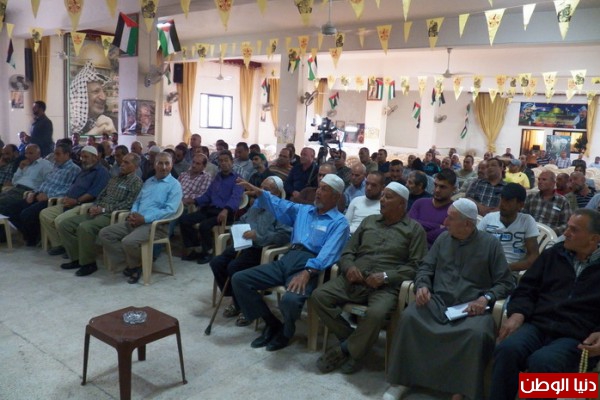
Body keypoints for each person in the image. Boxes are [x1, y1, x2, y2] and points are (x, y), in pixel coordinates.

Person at [384, 198, 514, 400]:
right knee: (410, 318)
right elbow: (425, 268)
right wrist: (423, 285)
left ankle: (462, 390)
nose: (444, 222)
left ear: (467, 224)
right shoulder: (443, 239)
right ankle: (402, 381)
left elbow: (505, 282)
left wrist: (486, 298)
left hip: (471, 308)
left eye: (450, 218)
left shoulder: (491, 245)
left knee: (477, 333)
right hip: (437, 302)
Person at [311, 182, 427, 374]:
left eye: (388, 197)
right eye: (382, 196)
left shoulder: (414, 230)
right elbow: (348, 252)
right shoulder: (369, 222)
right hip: (354, 279)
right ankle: (356, 341)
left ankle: (346, 350)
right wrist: (349, 267)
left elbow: (416, 266)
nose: (382, 200)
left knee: (376, 314)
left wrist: (386, 276)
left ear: (402, 204)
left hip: (385, 287)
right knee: (318, 296)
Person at [490, 209, 600, 400]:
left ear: (594, 239)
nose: (566, 233)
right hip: (538, 325)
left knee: (543, 363)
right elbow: (526, 288)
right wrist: (518, 313)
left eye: (574, 230)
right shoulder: (554, 254)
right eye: (567, 227)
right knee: (507, 350)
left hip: (576, 335)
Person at [232, 174, 349, 352]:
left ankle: (286, 331)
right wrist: (260, 192)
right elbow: (280, 204)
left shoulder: (340, 223)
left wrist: (307, 272)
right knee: (240, 279)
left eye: (325, 189)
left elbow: (329, 253)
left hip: (309, 265)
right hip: (288, 258)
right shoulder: (303, 210)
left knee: (291, 300)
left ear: (336, 197)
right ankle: (272, 323)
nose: (318, 192)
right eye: (319, 187)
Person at [209, 176, 292, 327]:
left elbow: (283, 236)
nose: (261, 191)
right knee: (217, 262)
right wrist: (238, 229)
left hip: (262, 250)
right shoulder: (256, 204)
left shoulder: (282, 209)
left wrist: (258, 236)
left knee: (234, 267)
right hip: (244, 245)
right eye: (261, 187)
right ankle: (238, 300)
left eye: (267, 190)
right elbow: (241, 220)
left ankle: (245, 308)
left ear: (278, 193)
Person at [98, 152, 182, 284]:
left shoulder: (174, 185)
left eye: (167, 163)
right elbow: (137, 201)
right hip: (137, 221)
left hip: (156, 226)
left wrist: (145, 219)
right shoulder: (149, 181)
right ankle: (134, 264)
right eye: (160, 163)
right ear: (154, 165)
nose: (164, 167)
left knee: (128, 242)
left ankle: (135, 266)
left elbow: (170, 211)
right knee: (105, 234)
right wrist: (133, 214)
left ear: (172, 165)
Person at [58, 153, 143, 277]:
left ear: (135, 166)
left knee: (85, 227)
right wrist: (95, 206)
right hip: (97, 211)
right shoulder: (114, 179)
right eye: (122, 161)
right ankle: (76, 258)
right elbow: (101, 195)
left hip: (111, 215)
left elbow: (128, 204)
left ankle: (88, 264)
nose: (122, 164)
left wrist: (103, 210)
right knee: (65, 224)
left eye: (126, 163)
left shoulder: (136, 182)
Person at [39, 146, 111, 255]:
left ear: (95, 158)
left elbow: (94, 193)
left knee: (60, 220)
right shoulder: (84, 170)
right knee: (45, 214)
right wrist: (67, 197)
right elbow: (73, 186)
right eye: (81, 157)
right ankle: (60, 245)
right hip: (69, 202)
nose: (83, 160)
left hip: (83, 205)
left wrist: (77, 201)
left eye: (86, 157)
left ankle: (72, 248)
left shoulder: (102, 172)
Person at [8, 143, 81, 247]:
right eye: (54, 154)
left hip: (52, 199)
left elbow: (68, 190)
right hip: (39, 194)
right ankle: (30, 234)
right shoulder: (56, 166)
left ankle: (33, 239)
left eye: (58, 154)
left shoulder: (74, 169)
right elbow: (45, 182)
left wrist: (48, 196)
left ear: (67, 154)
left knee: (26, 214)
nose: (55, 157)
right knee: (12, 209)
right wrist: (34, 192)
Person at [180, 150, 244, 264]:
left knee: (204, 225)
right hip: (210, 210)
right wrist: (194, 200)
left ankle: (208, 252)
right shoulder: (217, 177)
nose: (223, 163)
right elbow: (208, 195)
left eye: (226, 160)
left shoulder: (238, 179)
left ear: (232, 162)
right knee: (184, 220)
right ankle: (196, 249)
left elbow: (236, 197)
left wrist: (226, 210)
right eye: (221, 161)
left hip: (225, 213)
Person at [478, 183, 539, 276]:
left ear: (520, 205)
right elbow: (474, 244)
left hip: (510, 272)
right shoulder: (489, 218)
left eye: (508, 201)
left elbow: (533, 256)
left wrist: (506, 268)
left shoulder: (527, 221)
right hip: (485, 268)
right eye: (502, 198)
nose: (502, 204)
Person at [0, 144, 53, 216]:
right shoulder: (26, 163)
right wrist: (20, 168)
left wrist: (34, 192)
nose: (27, 156)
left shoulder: (45, 164)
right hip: (15, 189)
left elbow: (47, 181)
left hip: (26, 191)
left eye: (31, 153)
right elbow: (14, 182)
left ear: (38, 154)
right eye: (26, 153)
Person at [408, 168, 456, 247]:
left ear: (453, 189)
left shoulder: (454, 211)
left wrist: (419, 233)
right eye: (435, 185)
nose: (437, 190)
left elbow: (445, 235)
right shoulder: (420, 203)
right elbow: (409, 224)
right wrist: (438, 226)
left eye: (442, 187)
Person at [69, 61, 116, 137]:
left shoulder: (110, 121)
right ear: (81, 96)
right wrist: (94, 132)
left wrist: (113, 133)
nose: (103, 97)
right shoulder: (70, 124)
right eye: (96, 91)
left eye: (104, 91)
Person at [522, 170, 571, 235]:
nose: (540, 182)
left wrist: (549, 232)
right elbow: (522, 217)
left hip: (550, 237)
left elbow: (566, 224)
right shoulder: (531, 197)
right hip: (528, 233)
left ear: (553, 182)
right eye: (539, 179)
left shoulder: (562, 201)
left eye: (544, 179)